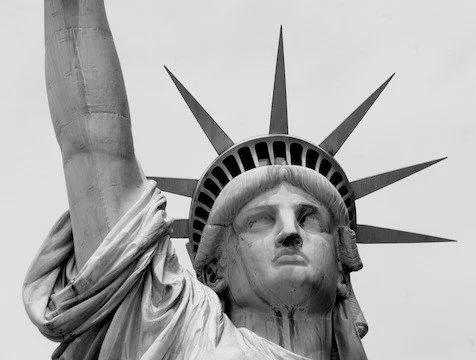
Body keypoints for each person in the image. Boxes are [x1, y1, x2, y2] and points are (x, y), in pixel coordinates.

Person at [24, 1, 450, 359]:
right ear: (213, 272)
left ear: (343, 270)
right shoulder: (168, 332)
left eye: (310, 219)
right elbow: (93, 144)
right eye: (259, 221)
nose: (290, 233)